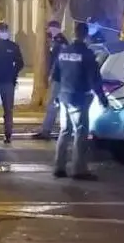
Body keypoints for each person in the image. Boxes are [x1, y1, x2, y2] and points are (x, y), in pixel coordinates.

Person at [51, 21, 109, 180]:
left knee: (64, 131)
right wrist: (102, 98)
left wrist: (56, 96)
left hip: (64, 96)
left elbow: (55, 76)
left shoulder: (63, 52)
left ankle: (59, 167)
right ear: (86, 35)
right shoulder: (87, 54)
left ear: (74, 33)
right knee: (81, 133)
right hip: (80, 98)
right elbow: (94, 80)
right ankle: (79, 169)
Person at [0, 22, 24, 144]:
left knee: (8, 110)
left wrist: (13, 73)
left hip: (8, 83)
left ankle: (8, 135)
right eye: (2, 31)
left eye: (5, 31)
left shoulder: (13, 46)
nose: (4, 33)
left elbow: (20, 63)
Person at [32, 20, 69, 140]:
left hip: (58, 78)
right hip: (61, 78)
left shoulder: (59, 41)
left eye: (49, 28)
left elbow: (57, 62)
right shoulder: (60, 40)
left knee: (52, 104)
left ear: (54, 28)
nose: (48, 31)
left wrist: (51, 75)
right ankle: (52, 129)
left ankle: (46, 130)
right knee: (56, 104)